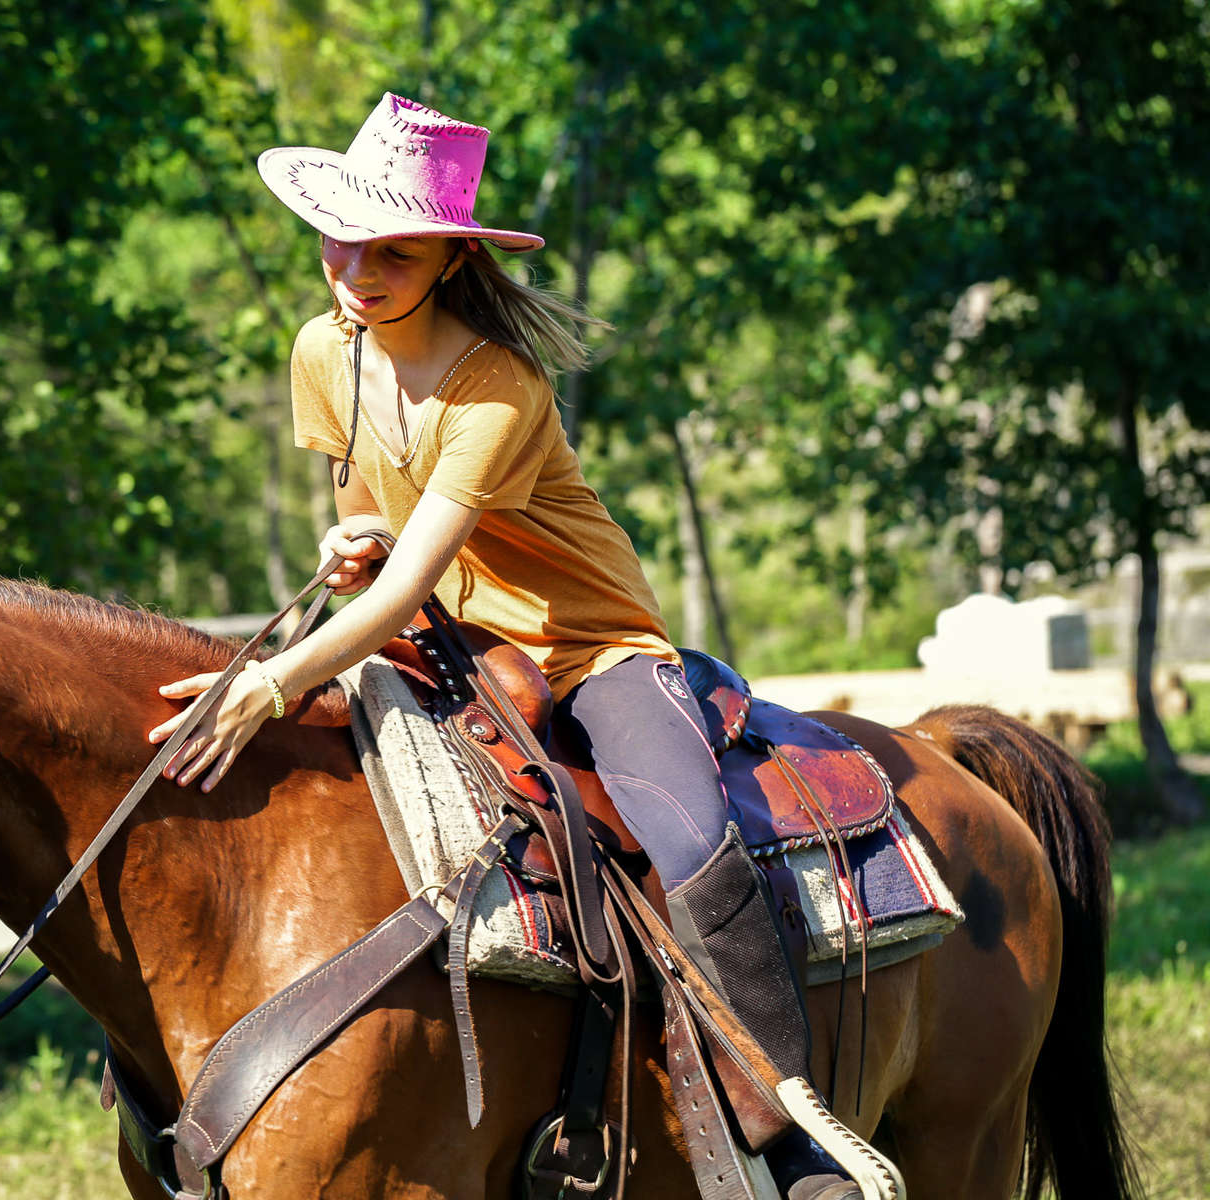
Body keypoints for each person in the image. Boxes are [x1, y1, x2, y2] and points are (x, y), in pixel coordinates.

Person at [148, 92, 859, 1200]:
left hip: (588, 647)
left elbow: (415, 575)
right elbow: (377, 531)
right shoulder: (322, 351)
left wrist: (277, 676)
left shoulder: (498, 386)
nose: (360, 267)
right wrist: (354, 538)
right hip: (446, 641)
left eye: (396, 248)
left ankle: (795, 1135)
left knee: (690, 839)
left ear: (447, 258)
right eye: (343, 236)